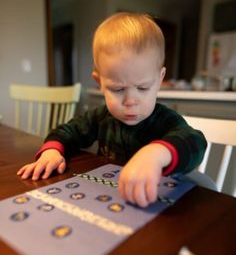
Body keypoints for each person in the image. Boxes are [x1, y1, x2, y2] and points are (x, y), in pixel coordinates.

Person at [17, 12, 207, 207]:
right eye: (117, 89)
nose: (130, 101)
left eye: (142, 88)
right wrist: (52, 152)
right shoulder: (100, 117)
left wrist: (157, 154)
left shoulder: (165, 120)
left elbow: (196, 142)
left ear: (160, 79)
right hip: (108, 196)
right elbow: (66, 131)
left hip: (154, 202)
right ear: (99, 82)